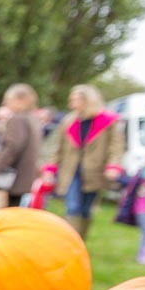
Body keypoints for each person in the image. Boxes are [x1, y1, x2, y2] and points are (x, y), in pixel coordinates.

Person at [44, 84, 125, 239]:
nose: (71, 103)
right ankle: (70, 241)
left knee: (86, 209)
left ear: (88, 100)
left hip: (94, 170)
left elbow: (117, 146)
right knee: (72, 206)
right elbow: (57, 147)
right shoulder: (69, 121)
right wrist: (51, 168)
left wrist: (113, 165)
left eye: (75, 99)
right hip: (71, 169)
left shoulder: (108, 121)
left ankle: (80, 239)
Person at [0, 83, 42, 206]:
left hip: (13, 178)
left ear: (19, 100)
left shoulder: (17, 119)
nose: (5, 104)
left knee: (8, 214)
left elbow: (12, 148)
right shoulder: (33, 119)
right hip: (26, 176)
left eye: (8, 100)